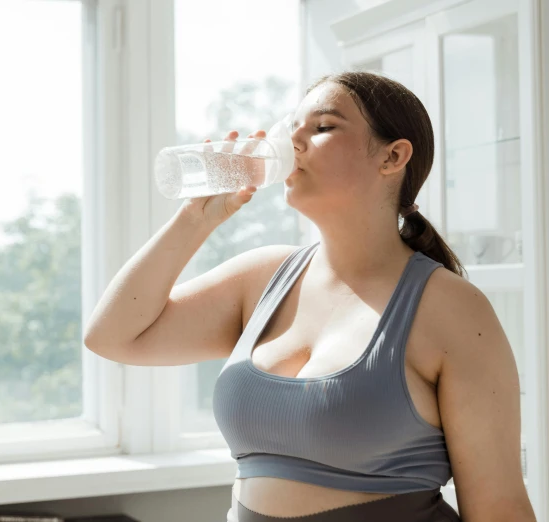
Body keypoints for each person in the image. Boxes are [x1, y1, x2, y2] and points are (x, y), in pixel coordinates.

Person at [83, 72, 536, 521]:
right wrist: (195, 218)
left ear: (392, 156)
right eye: (290, 127)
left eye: (322, 128)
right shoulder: (261, 278)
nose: (292, 142)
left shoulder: (450, 308)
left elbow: (499, 507)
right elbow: (112, 337)